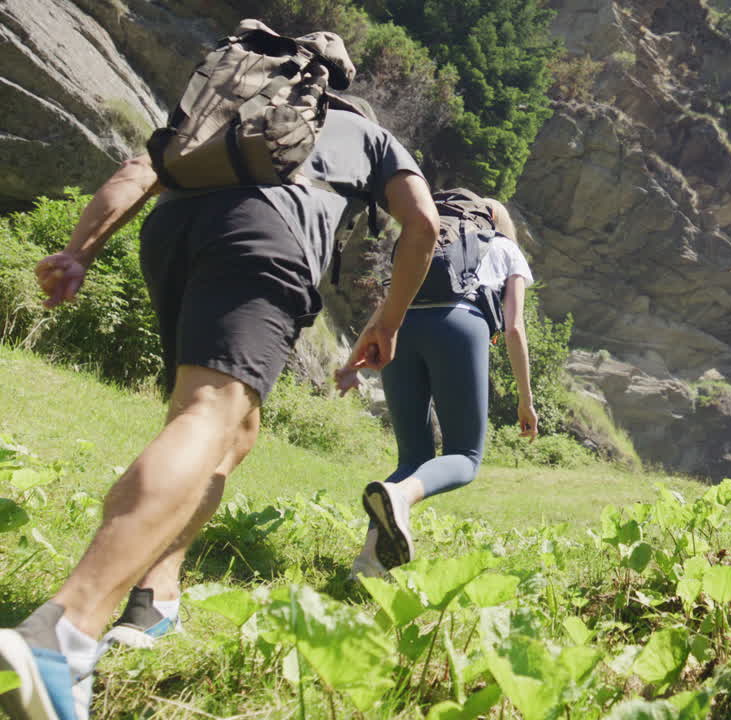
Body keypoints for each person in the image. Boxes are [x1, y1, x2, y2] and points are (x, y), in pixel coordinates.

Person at [0, 100, 441, 719]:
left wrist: (80, 251)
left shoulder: (230, 106)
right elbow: (423, 222)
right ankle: (65, 630)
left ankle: (154, 597)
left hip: (173, 232)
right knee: (210, 413)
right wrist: (387, 322)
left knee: (232, 429)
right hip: (265, 234)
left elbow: (139, 170)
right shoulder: (367, 133)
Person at [336, 196, 538, 576]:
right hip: (459, 326)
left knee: (412, 459)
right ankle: (400, 496)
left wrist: (351, 364)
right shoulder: (504, 247)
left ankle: (368, 563)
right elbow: (513, 328)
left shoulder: (427, 238)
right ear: (494, 219)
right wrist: (525, 400)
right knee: (465, 456)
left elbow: (387, 304)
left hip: (401, 327)